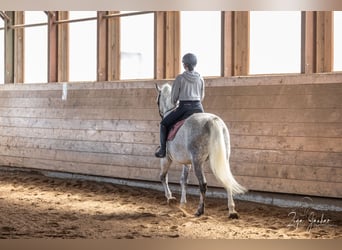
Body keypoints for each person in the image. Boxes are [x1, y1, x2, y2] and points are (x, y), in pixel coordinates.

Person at [155, 53, 205, 158]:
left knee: (163, 124)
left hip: (184, 108)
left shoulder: (180, 78)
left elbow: (174, 98)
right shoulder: (201, 78)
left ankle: (162, 150)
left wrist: (175, 103)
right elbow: (202, 96)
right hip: (199, 108)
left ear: (185, 65)